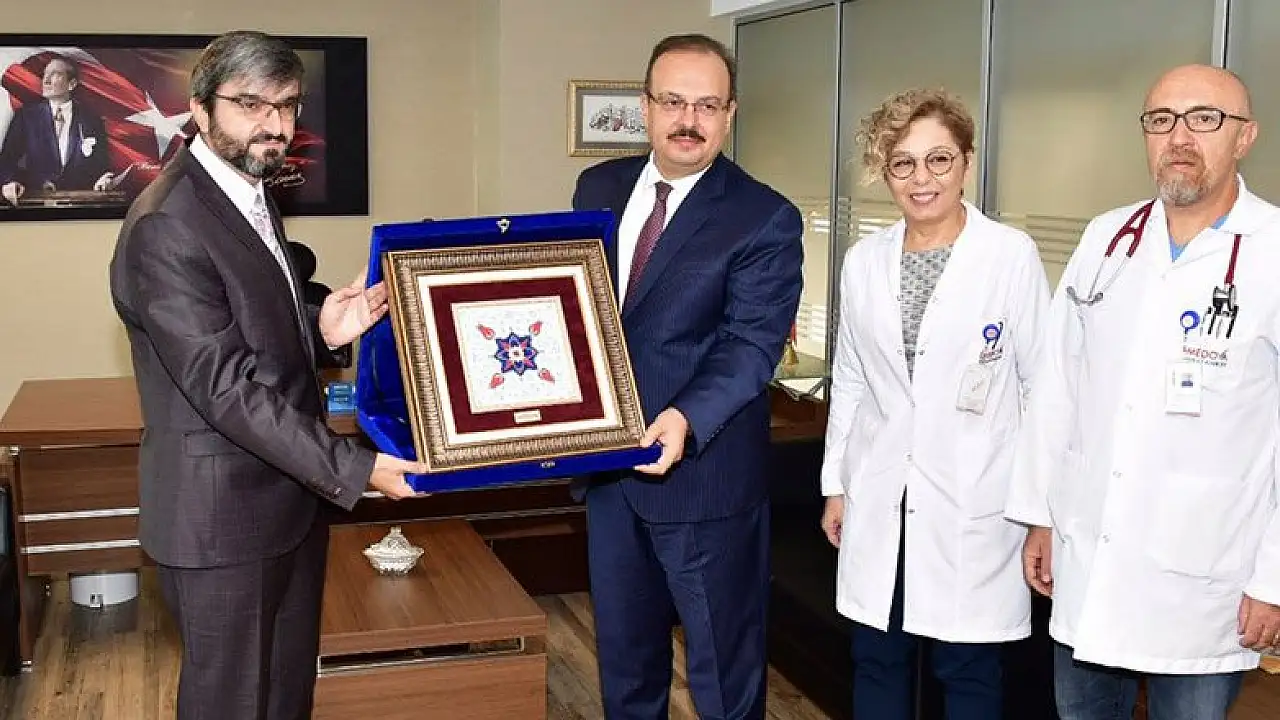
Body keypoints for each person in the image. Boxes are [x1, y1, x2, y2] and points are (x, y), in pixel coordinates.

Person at [107, 31, 424, 720]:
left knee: (284, 697)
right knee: (232, 704)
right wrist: (355, 466)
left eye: (287, 106)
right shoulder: (167, 224)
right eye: (251, 105)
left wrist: (321, 328)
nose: (274, 126)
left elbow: (249, 323)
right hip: (221, 522)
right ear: (200, 109)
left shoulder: (247, 192)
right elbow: (225, 387)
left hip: (285, 505)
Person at [1005, 64, 1280, 720]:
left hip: (1206, 577)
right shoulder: (1108, 237)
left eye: (1204, 118)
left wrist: (1274, 577)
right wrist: (1040, 513)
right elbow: (1057, 386)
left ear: (1245, 137)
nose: (1179, 137)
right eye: (1161, 120)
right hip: (1089, 551)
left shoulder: (1273, 250)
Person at [570, 33, 804, 719]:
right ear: (644, 107)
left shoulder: (765, 216)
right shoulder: (598, 187)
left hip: (706, 481)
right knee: (625, 667)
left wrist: (684, 417)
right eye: (673, 101)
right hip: (610, 474)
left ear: (730, 114)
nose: (688, 120)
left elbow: (750, 346)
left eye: (707, 105)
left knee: (722, 682)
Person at [817, 88, 1050, 719]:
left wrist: (1040, 511)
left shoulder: (1009, 256)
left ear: (966, 162)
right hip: (881, 493)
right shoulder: (864, 261)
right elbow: (852, 380)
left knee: (968, 670)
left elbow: (1042, 387)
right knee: (877, 658)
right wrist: (837, 485)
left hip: (975, 499)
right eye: (903, 163)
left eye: (938, 160)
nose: (922, 179)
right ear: (885, 172)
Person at [0, 55, 114, 205]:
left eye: (55, 74)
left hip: (80, 205)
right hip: (36, 203)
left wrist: (105, 178)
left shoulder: (91, 120)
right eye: (45, 74)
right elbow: (6, 160)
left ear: (72, 84)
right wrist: (10, 181)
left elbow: (102, 165)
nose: (46, 80)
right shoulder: (26, 117)